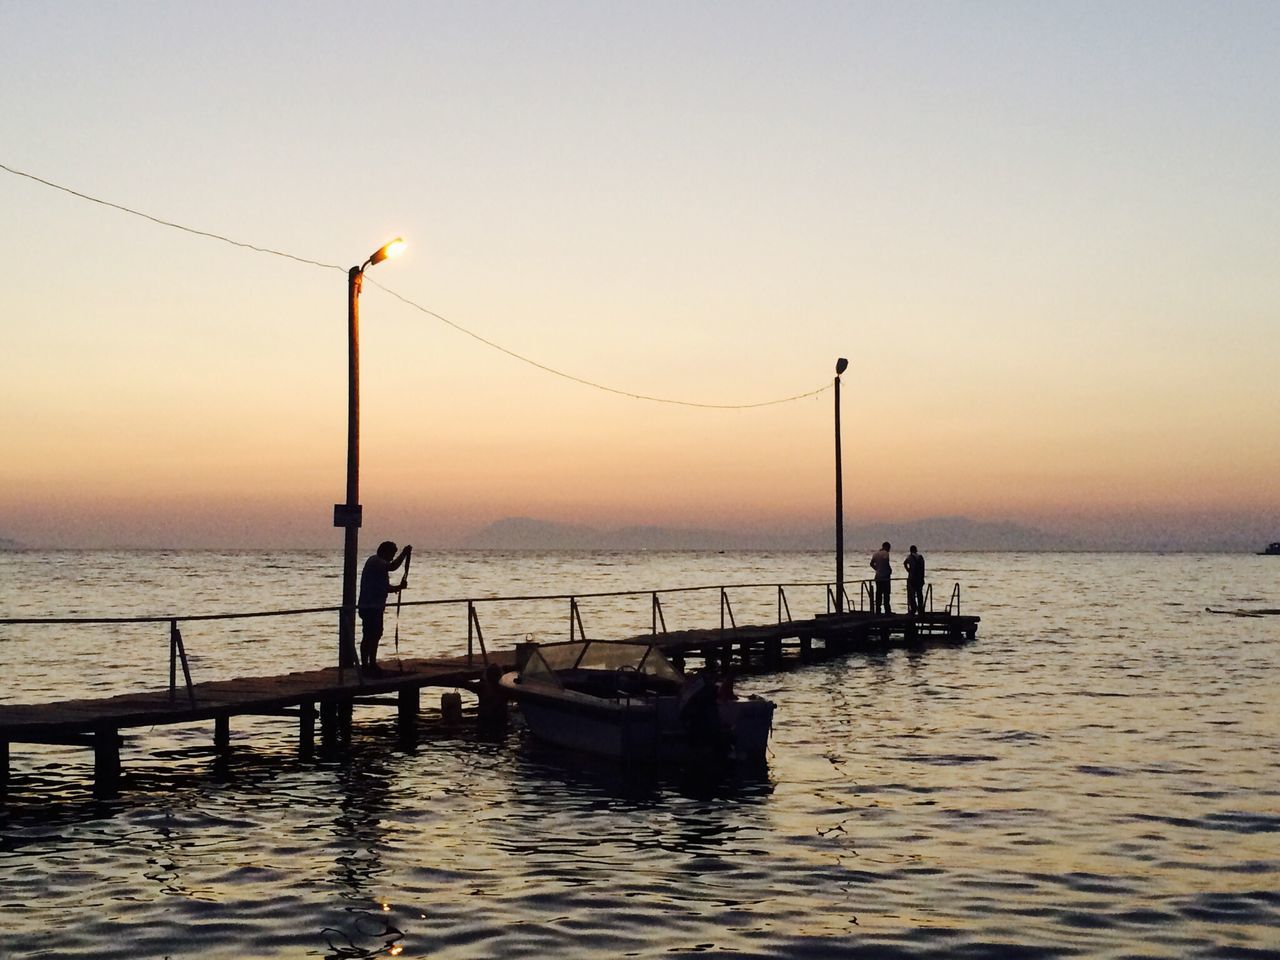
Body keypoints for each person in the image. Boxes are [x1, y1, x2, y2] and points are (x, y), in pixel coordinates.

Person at [357, 540, 412, 674]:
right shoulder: (375, 561)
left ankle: (372, 663)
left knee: (375, 635)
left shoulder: (380, 566)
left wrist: (399, 587)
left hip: (376, 606)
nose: (392, 557)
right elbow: (393, 566)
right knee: (369, 635)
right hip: (370, 606)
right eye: (391, 554)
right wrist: (404, 554)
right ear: (384, 552)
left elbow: (384, 587)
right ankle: (365, 665)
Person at [870, 541, 893, 614]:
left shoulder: (875, 554)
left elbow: (871, 563)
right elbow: (886, 563)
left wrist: (877, 569)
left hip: (878, 576)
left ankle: (878, 609)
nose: (889, 550)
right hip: (885, 577)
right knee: (886, 594)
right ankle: (887, 610)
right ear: (886, 547)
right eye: (889, 548)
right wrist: (889, 570)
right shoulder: (886, 554)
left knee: (878, 593)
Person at [904, 544, 926, 615]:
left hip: (912, 578)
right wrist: (922, 578)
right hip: (919, 578)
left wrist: (908, 570)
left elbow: (904, 563)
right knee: (920, 594)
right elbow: (923, 569)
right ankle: (920, 609)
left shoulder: (910, 557)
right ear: (916, 550)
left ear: (910, 551)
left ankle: (913, 609)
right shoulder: (921, 557)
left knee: (912, 594)